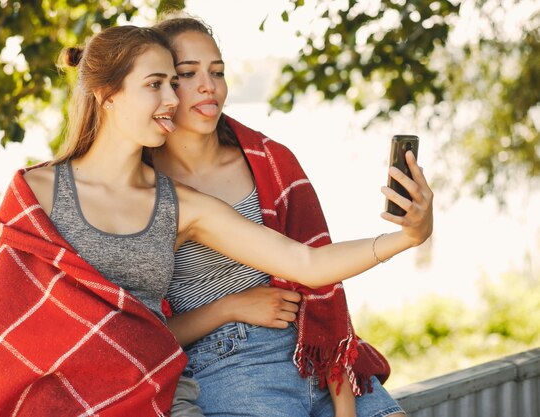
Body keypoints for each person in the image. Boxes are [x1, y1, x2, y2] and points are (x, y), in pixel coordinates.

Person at [0, 23, 431, 417]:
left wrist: (406, 236)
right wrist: (226, 310)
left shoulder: (181, 204)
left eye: (175, 83)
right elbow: (14, 333)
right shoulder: (36, 195)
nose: (173, 98)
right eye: (159, 84)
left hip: (212, 373)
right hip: (131, 388)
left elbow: (305, 264)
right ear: (106, 95)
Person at [151, 16, 433, 417]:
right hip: (228, 365)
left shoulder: (270, 162)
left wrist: (346, 406)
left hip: (312, 355)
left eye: (217, 72)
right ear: (159, 86)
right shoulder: (146, 192)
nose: (208, 86)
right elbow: (141, 336)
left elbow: (321, 284)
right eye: (187, 73)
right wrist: (228, 307)